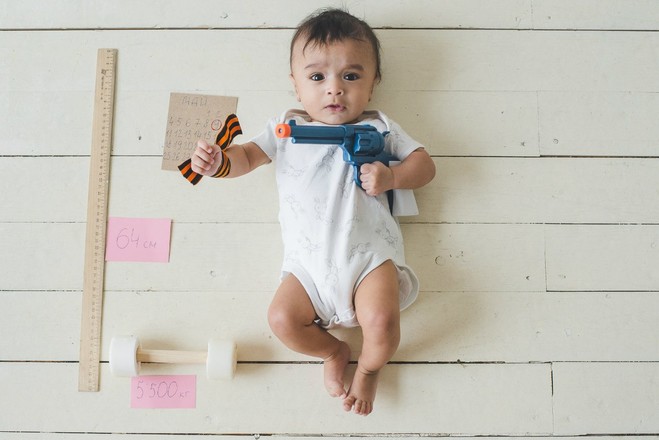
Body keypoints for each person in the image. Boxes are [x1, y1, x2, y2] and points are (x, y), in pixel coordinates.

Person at [191, 8, 435, 416]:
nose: (334, 90)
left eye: (351, 76)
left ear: (373, 84)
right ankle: (332, 351)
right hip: (306, 266)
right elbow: (247, 157)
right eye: (318, 77)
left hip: (369, 257)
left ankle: (371, 370)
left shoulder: (380, 127)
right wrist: (219, 163)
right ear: (296, 85)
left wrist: (391, 178)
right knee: (282, 319)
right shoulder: (284, 128)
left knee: (383, 324)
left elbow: (424, 166)